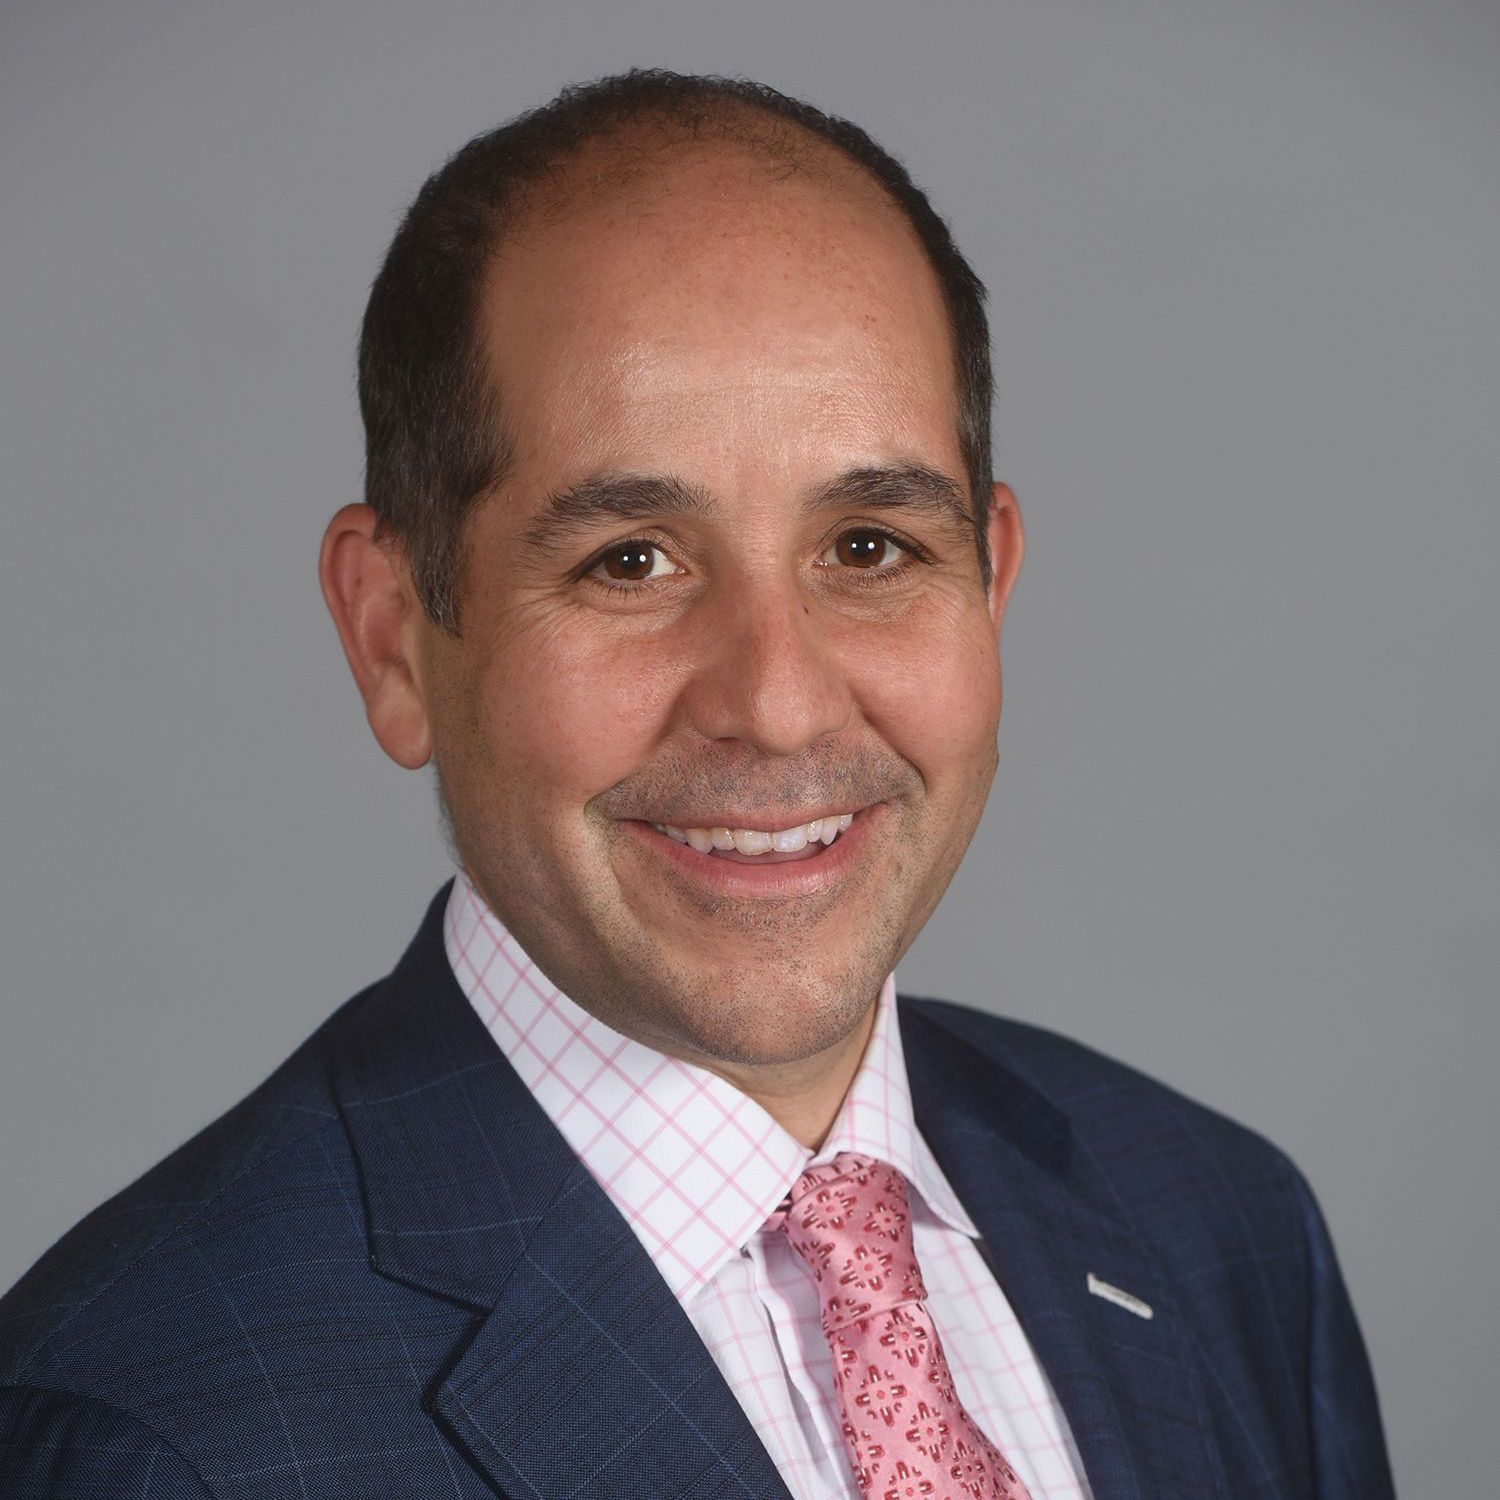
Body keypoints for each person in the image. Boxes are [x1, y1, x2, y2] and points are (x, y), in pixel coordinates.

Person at [0, 69, 1394, 1499]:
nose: (778, 704)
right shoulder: (153, 1433)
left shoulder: (1221, 1231)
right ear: (394, 636)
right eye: (630, 561)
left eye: (868, 548)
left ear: (993, 580)